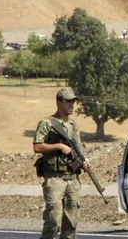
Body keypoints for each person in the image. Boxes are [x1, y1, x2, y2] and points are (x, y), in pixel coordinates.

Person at [33, 88, 90, 239]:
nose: (72, 104)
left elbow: (77, 150)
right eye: (68, 101)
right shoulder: (47, 123)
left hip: (72, 179)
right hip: (54, 179)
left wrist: (83, 161)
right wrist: (59, 146)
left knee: (71, 223)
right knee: (53, 220)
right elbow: (37, 146)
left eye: (73, 101)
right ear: (59, 102)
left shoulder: (73, 125)